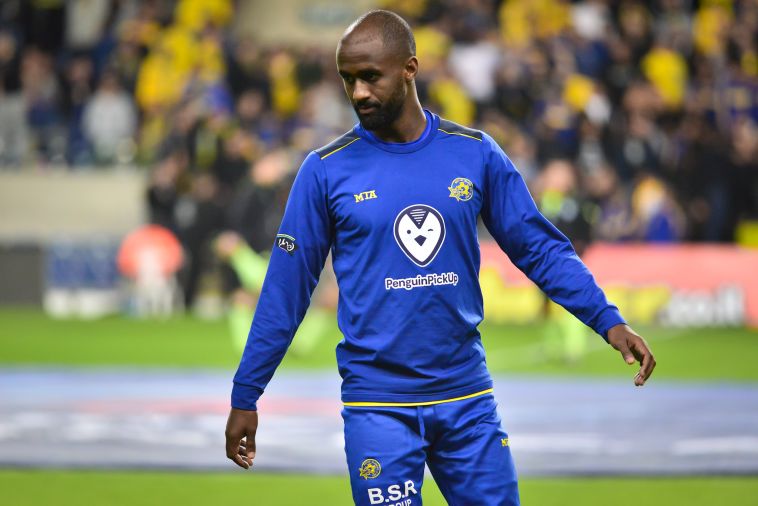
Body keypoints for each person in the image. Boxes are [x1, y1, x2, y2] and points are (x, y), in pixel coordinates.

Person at [225, 10, 656, 506]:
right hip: (377, 405)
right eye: (348, 79)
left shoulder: (475, 153)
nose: (358, 92)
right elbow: (285, 291)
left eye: (371, 76)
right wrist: (246, 393)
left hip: (467, 399)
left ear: (410, 68)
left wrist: (607, 319)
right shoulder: (324, 171)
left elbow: (539, 248)